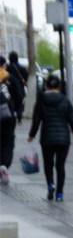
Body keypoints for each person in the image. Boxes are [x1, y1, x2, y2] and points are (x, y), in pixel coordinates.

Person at [27, 74, 73, 202]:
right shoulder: (65, 101)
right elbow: (72, 120)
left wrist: (31, 135)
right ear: (59, 86)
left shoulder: (41, 101)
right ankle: (60, 194)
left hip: (47, 138)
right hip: (63, 139)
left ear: (46, 86)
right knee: (60, 166)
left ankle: (50, 184)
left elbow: (36, 120)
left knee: (48, 164)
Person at [0, 57, 26, 185]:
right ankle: (4, 165)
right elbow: (20, 95)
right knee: (8, 142)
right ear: (4, 65)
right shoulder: (10, 78)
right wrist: (19, 114)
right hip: (9, 116)